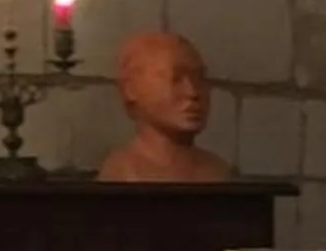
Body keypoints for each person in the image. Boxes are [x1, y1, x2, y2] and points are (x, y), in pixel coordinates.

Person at [97, 30, 235, 182]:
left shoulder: (216, 171)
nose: (192, 92)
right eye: (176, 79)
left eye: (199, 79)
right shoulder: (123, 172)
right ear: (132, 89)